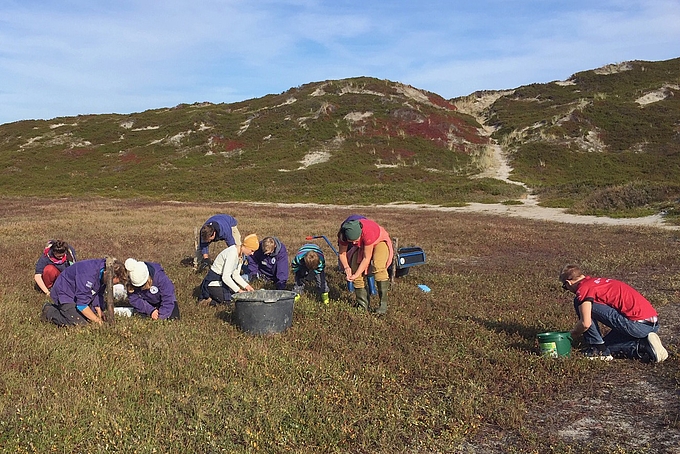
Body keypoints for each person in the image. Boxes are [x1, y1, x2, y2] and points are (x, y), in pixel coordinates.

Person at [559, 264, 668, 362]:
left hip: (638, 326)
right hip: (652, 323)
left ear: (568, 283)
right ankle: (647, 343)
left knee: (578, 302)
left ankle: (641, 346)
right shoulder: (596, 282)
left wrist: (569, 336)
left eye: (565, 287)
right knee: (605, 346)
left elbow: (585, 323)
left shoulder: (583, 288)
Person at [41, 258, 127, 326]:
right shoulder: (87, 275)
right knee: (80, 323)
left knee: (91, 314)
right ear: (106, 273)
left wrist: (99, 310)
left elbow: (98, 291)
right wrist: (98, 322)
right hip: (65, 292)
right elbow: (82, 305)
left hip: (81, 292)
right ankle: (49, 311)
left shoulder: (104, 272)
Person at [338, 216, 393, 314]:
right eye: (351, 242)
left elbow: (366, 258)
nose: (354, 243)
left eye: (356, 240)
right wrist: (347, 268)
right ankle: (363, 305)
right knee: (355, 272)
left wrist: (356, 273)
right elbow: (342, 254)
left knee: (378, 266)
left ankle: (383, 305)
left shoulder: (368, 232)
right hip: (362, 246)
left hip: (378, 241)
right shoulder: (343, 235)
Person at [199, 234, 259, 305]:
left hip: (222, 282)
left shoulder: (241, 255)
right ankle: (208, 300)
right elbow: (226, 277)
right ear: (245, 247)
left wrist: (247, 286)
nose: (252, 253)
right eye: (252, 250)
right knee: (230, 300)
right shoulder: (232, 253)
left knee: (235, 297)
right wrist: (239, 290)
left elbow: (235, 275)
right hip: (213, 281)